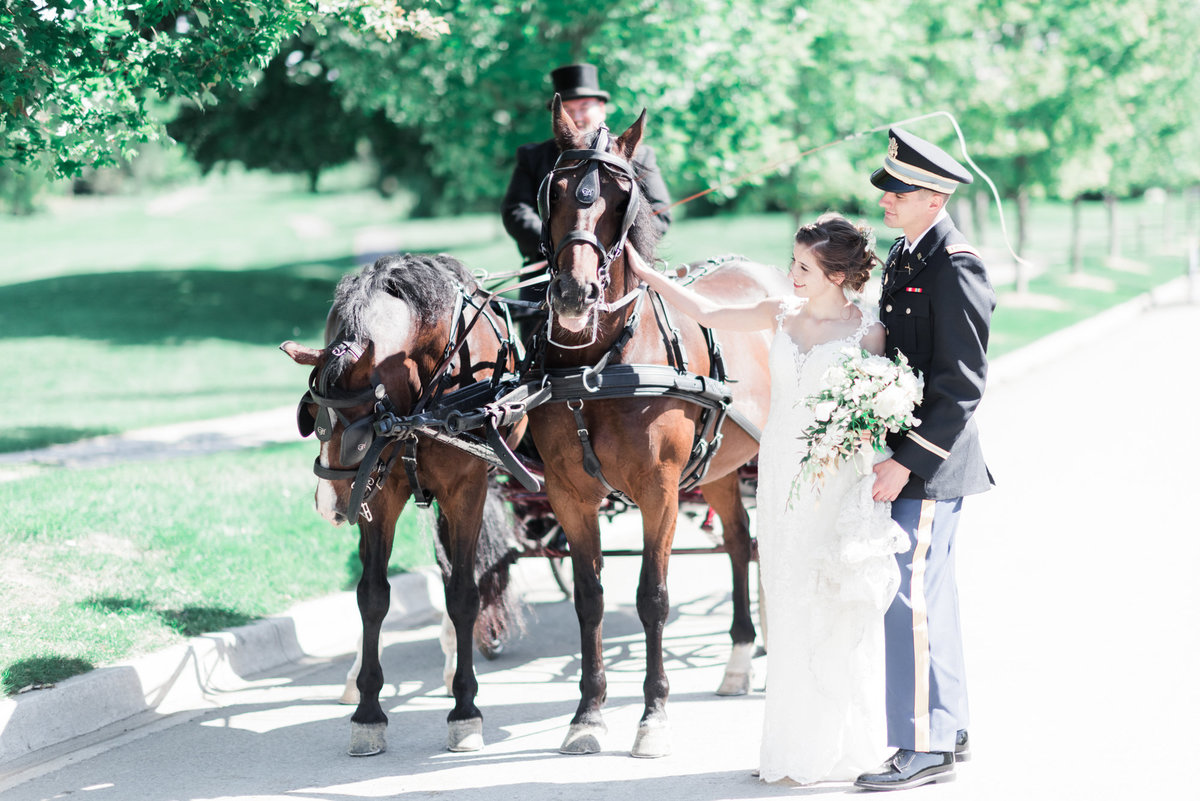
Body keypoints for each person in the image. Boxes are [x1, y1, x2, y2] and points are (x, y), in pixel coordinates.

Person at [628, 214, 908, 785]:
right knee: (785, 596)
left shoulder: (870, 330)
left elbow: (888, 403)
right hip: (781, 476)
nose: (791, 274)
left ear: (834, 273)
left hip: (838, 479)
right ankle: (792, 746)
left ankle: (844, 741)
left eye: (803, 266)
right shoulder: (779, 314)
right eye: (793, 263)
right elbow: (705, 311)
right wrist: (644, 274)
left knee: (832, 599)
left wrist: (877, 448)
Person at [854, 128, 996, 791]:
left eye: (898, 190)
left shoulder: (956, 264)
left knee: (906, 598)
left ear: (934, 195)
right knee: (928, 596)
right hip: (907, 456)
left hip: (931, 468)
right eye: (886, 187)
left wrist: (906, 462)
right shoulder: (907, 253)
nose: (885, 199)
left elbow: (961, 385)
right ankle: (950, 725)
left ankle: (923, 745)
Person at [501, 63, 673, 331]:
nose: (577, 116)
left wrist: (607, 248)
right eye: (568, 110)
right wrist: (563, 247)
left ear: (601, 108)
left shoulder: (637, 155)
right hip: (545, 272)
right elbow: (516, 211)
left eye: (583, 107)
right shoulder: (533, 156)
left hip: (619, 275)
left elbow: (660, 215)